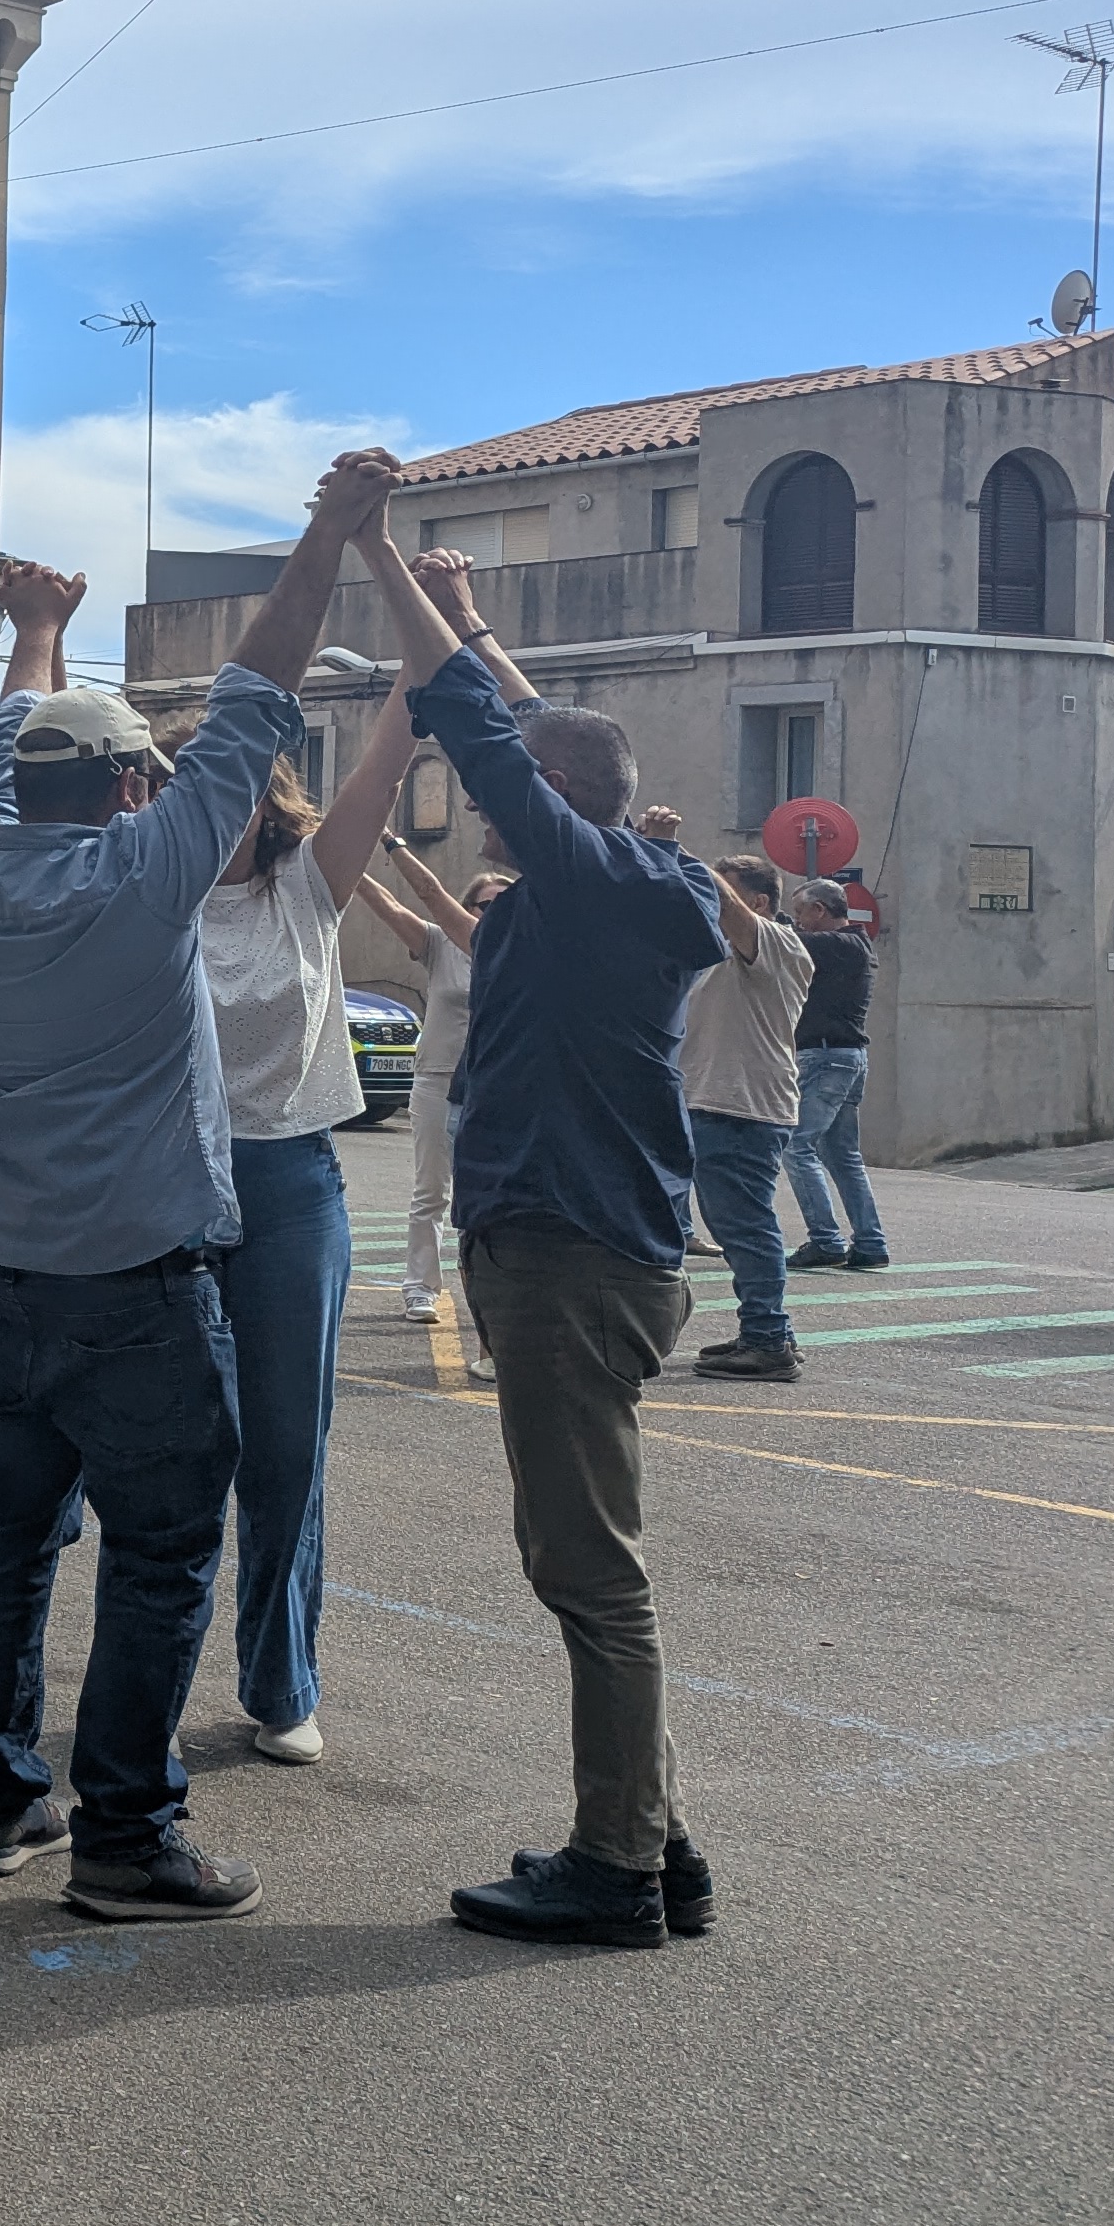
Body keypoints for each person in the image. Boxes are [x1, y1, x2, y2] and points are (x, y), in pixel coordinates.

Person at [0, 454, 392, 1926]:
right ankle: (130, 1832)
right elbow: (259, 688)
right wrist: (325, 533)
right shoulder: (146, 872)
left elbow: (13, 738)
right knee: (166, 1546)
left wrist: (35, 634)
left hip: (6, 1271)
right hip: (135, 1278)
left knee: (14, 1530)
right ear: (133, 783)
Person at [365, 521, 733, 1949]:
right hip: (582, 1254)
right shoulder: (613, 886)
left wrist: (385, 559)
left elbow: (494, 733)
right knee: (584, 1562)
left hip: (571, 1261)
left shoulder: (593, 884)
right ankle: (656, 1838)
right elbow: (533, 736)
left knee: (588, 1572)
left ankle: (618, 1869)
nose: (483, 803)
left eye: (510, 791)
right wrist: (464, 614)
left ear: (558, 800)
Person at [186, 620, 433, 1774]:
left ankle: (283, 1681)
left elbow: (391, 750)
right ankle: (146, 1675)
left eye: (230, 777)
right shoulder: (151, 886)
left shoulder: (311, 886)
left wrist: (410, 593)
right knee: (170, 1454)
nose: (211, 796)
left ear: (266, 787)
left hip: (289, 1179)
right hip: (169, 1183)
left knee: (287, 1451)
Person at [670, 846, 814, 1383]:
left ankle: (767, 1338)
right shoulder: (717, 956)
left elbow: (727, 904)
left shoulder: (778, 942)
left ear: (758, 901)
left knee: (746, 1227)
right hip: (715, 1103)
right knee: (738, 1226)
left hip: (741, 1107)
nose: (710, 902)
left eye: (722, 892)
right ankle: (770, 1329)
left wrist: (675, 851)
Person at [350, 847, 502, 1334]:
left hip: (497, 1082)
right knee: (432, 1188)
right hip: (438, 1077)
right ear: (466, 907)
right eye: (485, 905)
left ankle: (493, 1294)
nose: (493, 914)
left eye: (505, 904)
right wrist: (354, 866)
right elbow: (395, 909)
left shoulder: (520, 948)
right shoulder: (440, 943)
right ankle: (420, 1287)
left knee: (494, 1195)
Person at [783, 881, 888, 1273]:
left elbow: (782, 940)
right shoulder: (854, 946)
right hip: (845, 1057)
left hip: (826, 1057)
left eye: (800, 913)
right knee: (842, 1156)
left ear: (820, 911)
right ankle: (870, 1242)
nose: (798, 921)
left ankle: (825, 1239)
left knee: (797, 1145)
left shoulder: (836, 945)